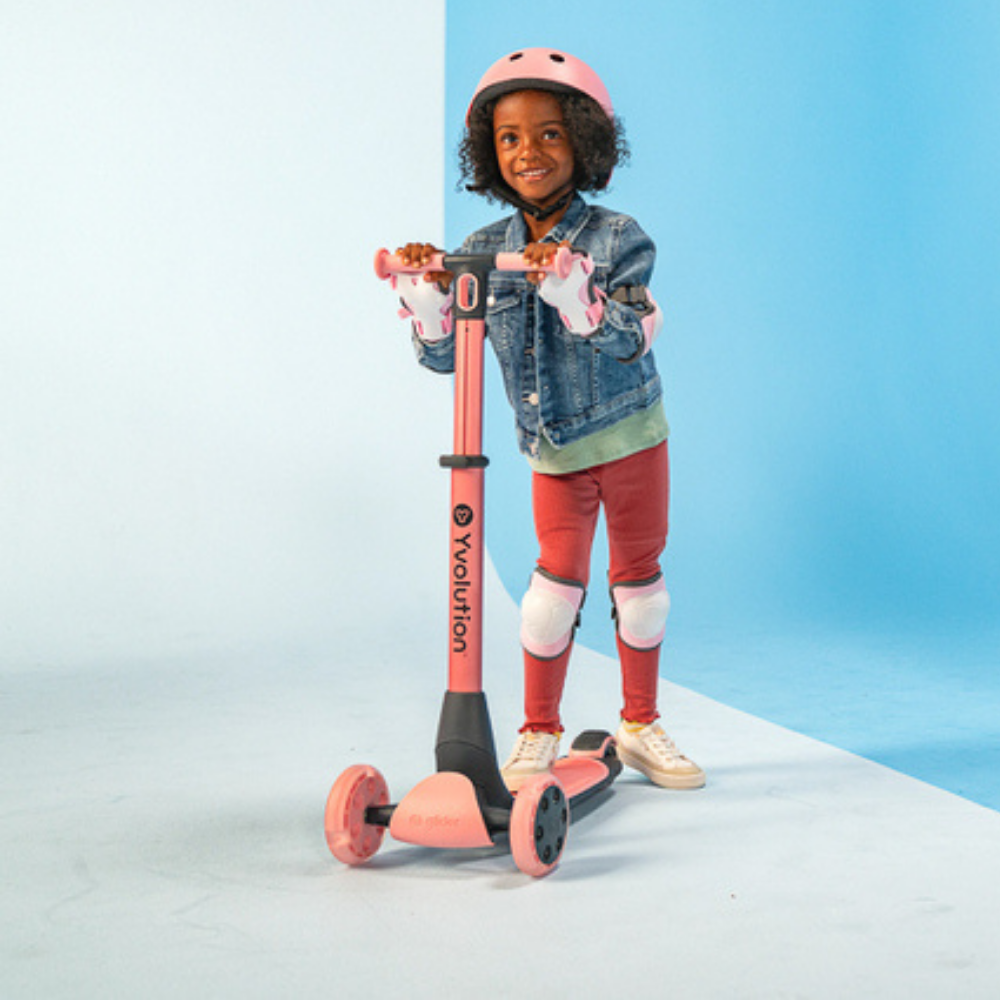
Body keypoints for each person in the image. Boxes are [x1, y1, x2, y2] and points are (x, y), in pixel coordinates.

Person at [392, 48, 704, 792]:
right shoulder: (477, 253)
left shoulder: (619, 237)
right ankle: (538, 732)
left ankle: (638, 724)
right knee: (545, 604)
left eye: (550, 134)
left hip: (632, 438)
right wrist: (428, 301)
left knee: (640, 591)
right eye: (509, 138)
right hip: (554, 452)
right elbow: (445, 361)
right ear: (488, 154)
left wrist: (575, 297)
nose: (528, 152)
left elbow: (633, 336)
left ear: (586, 143)